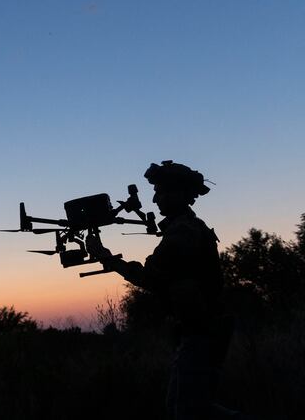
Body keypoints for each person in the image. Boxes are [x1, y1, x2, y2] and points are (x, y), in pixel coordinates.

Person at [87, 160, 241, 419]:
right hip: (198, 331)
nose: (156, 199)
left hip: (202, 333)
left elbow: (151, 277)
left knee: (188, 411)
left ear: (180, 195)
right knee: (182, 407)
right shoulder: (185, 228)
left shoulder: (183, 232)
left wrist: (106, 258)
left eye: (161, 192)